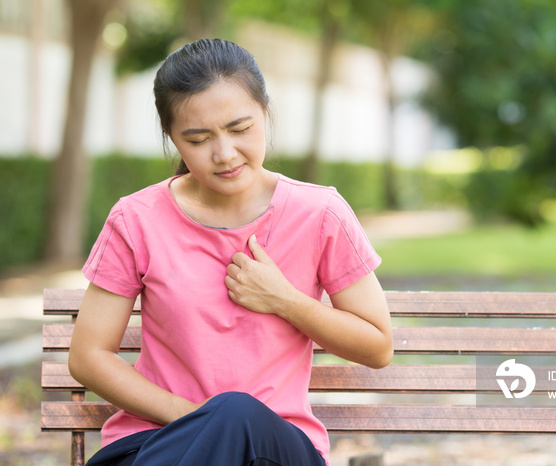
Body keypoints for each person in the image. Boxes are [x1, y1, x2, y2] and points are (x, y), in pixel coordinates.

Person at [68, 38, 393, 466]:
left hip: (274, 449)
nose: (224, 154)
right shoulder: (137, 219)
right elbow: (89, 357)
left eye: (240, 129)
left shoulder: (320, 213)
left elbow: (377, 346)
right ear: (173, 140)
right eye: (199, 139)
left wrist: (283, 299)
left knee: (237, 411)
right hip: (157, 443)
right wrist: (197, 421)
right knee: (226, 415)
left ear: (265, 113)